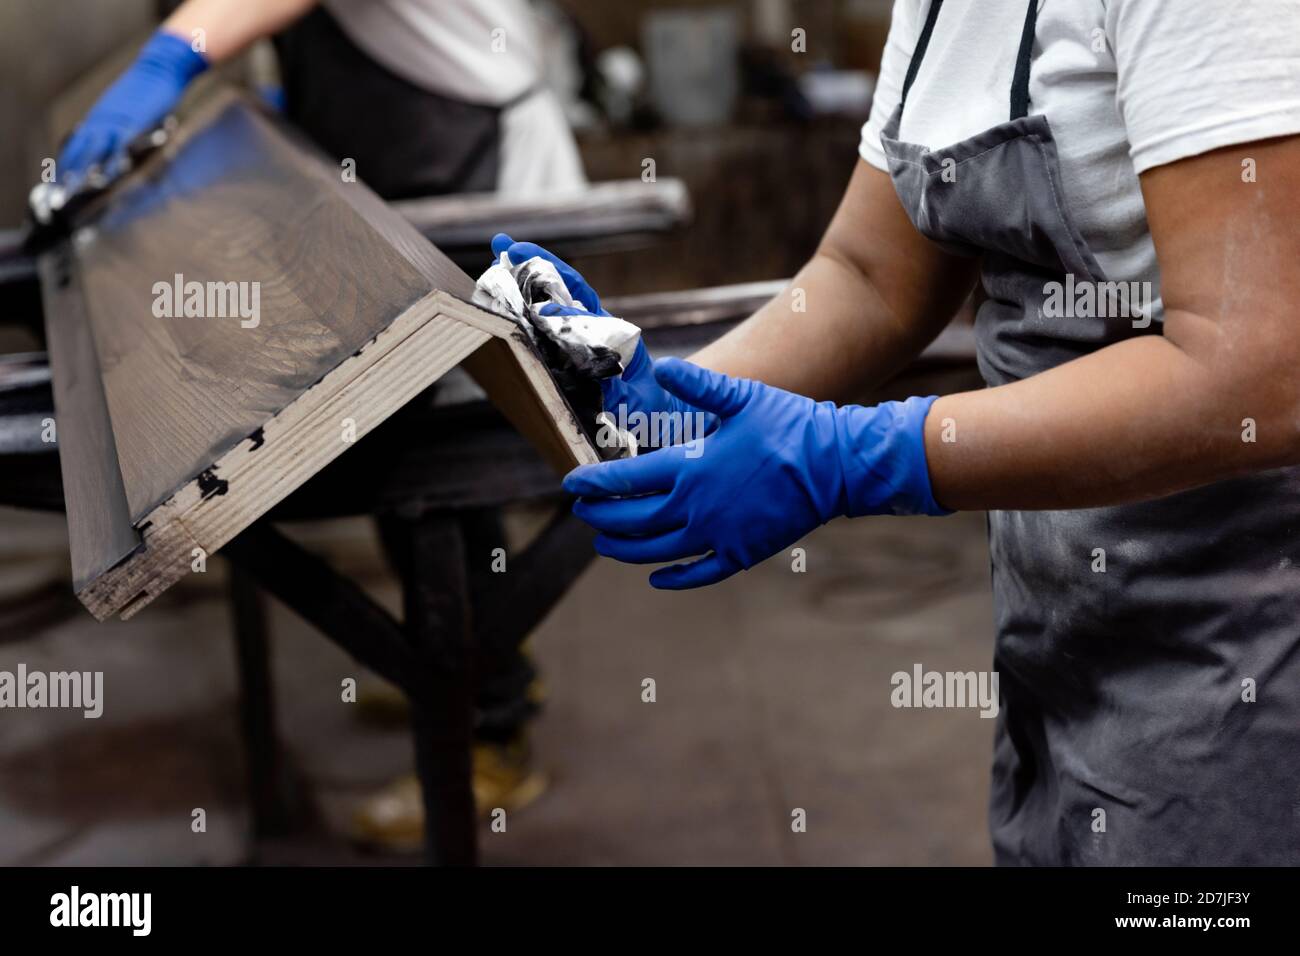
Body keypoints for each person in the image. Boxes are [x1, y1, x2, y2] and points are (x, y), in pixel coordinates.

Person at [504, 0, 1300, 865]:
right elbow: (870, 273)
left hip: (1242, 640)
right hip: (1065, 626)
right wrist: (673, 401)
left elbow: (1251, 371)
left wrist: (856, 455)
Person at [58, 0, 585, 850]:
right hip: (403, 179)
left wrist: (166, 62)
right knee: (394, 458)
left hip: (472, 179)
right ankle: (463, 664)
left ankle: (487, 733)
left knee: (423, 462)